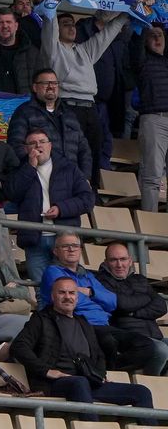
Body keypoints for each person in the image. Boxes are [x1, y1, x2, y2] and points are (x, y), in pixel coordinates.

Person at [12, 276, 154, 413]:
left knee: (141, 392)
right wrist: (46, 371)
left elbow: (98, 354)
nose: (67, 297)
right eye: (62, 292)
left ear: (77, 297)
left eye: (72, 293)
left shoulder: (83, 322)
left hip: (88, 382)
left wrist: (100, 374)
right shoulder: (41, 319)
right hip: (55, 384)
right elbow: (19, 346)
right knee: (80, 383)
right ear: (52, 296)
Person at [37, 231, 167, 374]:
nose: (71, 249)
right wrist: (95, 301)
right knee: (109, 343)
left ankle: (110, 370)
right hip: (79, 323)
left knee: (146, 346)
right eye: (66, 246)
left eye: (75, 245)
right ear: (56, 251)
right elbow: (72, 302)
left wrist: (91, 293)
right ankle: (105, 375)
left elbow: (112, 302)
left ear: (80, 249)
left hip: (103, 324)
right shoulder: (53, 272)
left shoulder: (87, 275)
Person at [40, 2, 127, 187]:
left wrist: (127, 14)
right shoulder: (53, 50)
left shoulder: (85, 50)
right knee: (70, 153)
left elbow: (107, 34)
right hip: (68, 106)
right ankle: (67, 192)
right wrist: (52, 7)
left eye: (72, 24)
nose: (71, 27)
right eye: (65, 24)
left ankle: (91, 194)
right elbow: (49, 27)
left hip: (91, 108)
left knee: (94, 152)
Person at [4, 127, 94, 285]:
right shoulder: (20, 169)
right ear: (26, 149)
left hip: (63, 236)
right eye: (32, 143)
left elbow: (87, 199)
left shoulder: (69, 168)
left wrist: (61, 209)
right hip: (34, 239)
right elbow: (12, 195)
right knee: (40, 288)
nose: (38, 146)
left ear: (50, 145)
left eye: (42, 142)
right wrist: (30, 167)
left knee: (67, 286)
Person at [95, 242, 168, 374]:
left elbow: (161, 306)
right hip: (131, 339)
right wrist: (145, 299)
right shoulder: (100, 282)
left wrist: (133, 312)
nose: (119, 265)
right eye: (114, 260)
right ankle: (152, 383)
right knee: (162, 350)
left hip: (155, 336)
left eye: (123, 259)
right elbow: (122, 304)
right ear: (106, 262)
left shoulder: (139, 279)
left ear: (130, 260)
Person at [137, 24, 168, 212]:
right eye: (152, 35)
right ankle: (150, 222)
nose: (157, 38)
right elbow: (135, 46)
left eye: (160, 35)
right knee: (152, 176)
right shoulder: (142, 61)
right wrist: (142, 24)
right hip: (153, 118)